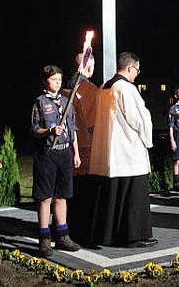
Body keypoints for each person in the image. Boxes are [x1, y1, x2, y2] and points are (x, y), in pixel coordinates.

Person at [85, 52, 157, 248]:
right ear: (130, 68)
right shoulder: (126, 88)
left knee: (112, 194)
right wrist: (147, 140)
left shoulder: (103, 87)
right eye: (137, 70)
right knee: (132, 195)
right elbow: (138, 119)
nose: (137, 74)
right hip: (127, 150)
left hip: (107, 151)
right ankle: (132, 236)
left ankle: (107, 235)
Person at [31, 65, 81, 257]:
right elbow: (34, 130)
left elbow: (72, 130)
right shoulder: (40, 102)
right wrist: (49, 132)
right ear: (45, 81)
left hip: (65, 153)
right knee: (45, 197)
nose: (58, 82)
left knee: (62, 196)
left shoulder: (67, 102)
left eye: (60, 79)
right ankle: (44, 238)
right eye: (54, 79)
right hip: (47, 154)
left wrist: (75, 153)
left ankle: (62, 235)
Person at [65, 54, 98, 241]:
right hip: (86, 145)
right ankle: (84, 231)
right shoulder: (89, 89)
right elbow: (93, 122)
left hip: (68, 145)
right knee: (85, 193)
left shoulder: (66, 88)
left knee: (70, 192)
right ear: (90, 68)